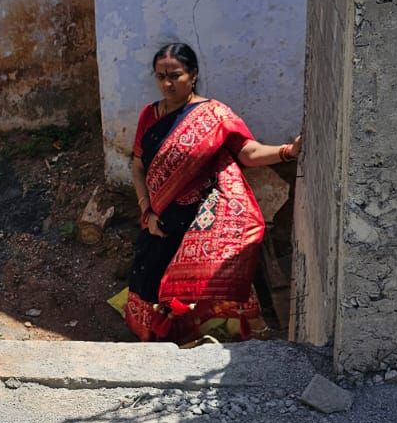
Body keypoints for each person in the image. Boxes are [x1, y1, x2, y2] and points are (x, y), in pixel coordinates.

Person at [122, 42, 301, 344]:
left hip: (197, 223)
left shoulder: (214, 115)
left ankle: (220, 336)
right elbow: (138, 165)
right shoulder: (149, 116)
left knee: (204, 282)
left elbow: (248, 152)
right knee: (149, 280)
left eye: (175, 75)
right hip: (158, 221)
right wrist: (146, 210)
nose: (167, 84)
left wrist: (287, 152)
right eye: (161, 76)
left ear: (193, 75)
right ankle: (156, 343)